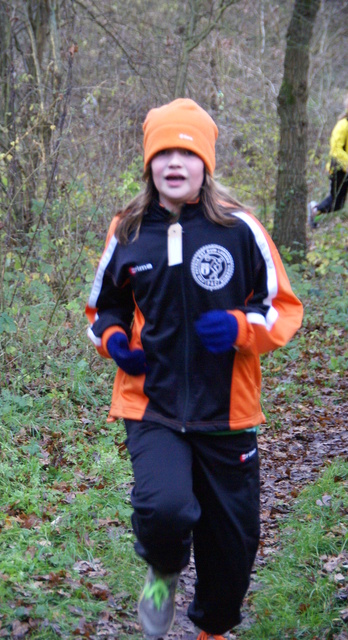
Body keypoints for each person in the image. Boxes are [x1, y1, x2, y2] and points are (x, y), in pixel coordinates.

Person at [86, 99, 303, 640]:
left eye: (187, 152)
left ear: (206, 164)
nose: (175, 163)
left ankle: (211, 629)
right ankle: (162, 572)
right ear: (149, 164)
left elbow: (283, 307)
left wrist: (241, 327)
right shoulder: (129, 229)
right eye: (164, 153)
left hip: (227, 410)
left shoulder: (239, 228)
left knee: (232, 543)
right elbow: (102, 307)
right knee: (165, 509)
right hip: (152, 402)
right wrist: (114, 340)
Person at [308, 94, 348, 228]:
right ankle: (315, 211)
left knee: (338, 203)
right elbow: (336, 149)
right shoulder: (343, 125)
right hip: (339, 168)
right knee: (337, 202)